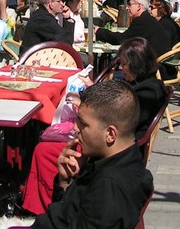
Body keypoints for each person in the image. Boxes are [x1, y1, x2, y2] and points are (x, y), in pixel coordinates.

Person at [21, 37, 166, 216]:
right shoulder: (147, 86)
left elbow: (117, 116)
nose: (121, 68)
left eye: (125, 64)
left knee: (44, 151)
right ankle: (39, 205)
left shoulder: (147, 93)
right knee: (46, 147)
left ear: (137, 65)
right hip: (115, 145)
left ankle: (40, 209)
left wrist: (87, 105)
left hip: (110, 147)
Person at [28, 80, 153, 229]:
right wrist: (66, 182)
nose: (75, 128)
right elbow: (68, 213)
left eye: (83, 123)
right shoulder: (124, 160)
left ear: (110, 134)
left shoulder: (109, 187)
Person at [96, 0, 173, 60]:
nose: (127, 8)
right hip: (160, 62)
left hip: (157, 67)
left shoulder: (142, 21)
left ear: (139, 6)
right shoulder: (148, 19)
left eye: (130, 5)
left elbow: (121, 39)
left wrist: (99, 31)